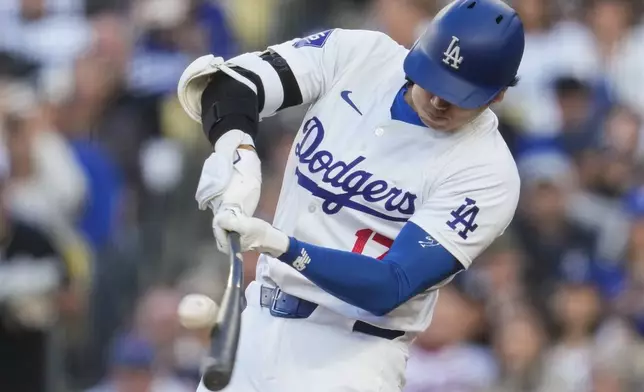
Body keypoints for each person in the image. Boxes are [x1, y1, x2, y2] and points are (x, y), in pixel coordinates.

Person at [176, 0, 525, 391]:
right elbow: (230, 81)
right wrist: (236, 148)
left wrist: (281, 245)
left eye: (460, 94)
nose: (440, 100)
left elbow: (390, 286)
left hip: (352, 356)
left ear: (496, 96)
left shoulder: (488, 173)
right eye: (434, 79)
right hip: (256, 324)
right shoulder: (359, 55)